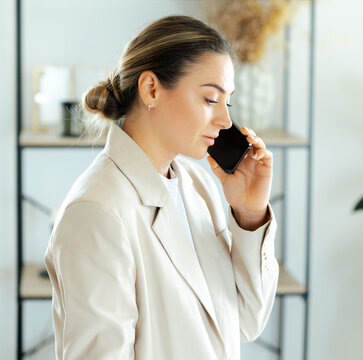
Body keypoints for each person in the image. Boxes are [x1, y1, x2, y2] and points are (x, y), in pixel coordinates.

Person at [44, 15, 279, 360]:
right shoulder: (97, 212)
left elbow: (245, 322)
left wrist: (250, 213)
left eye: (227, 102)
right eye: (211, 99)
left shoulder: (198, 186)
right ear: (151, 89)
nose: (226, 121)